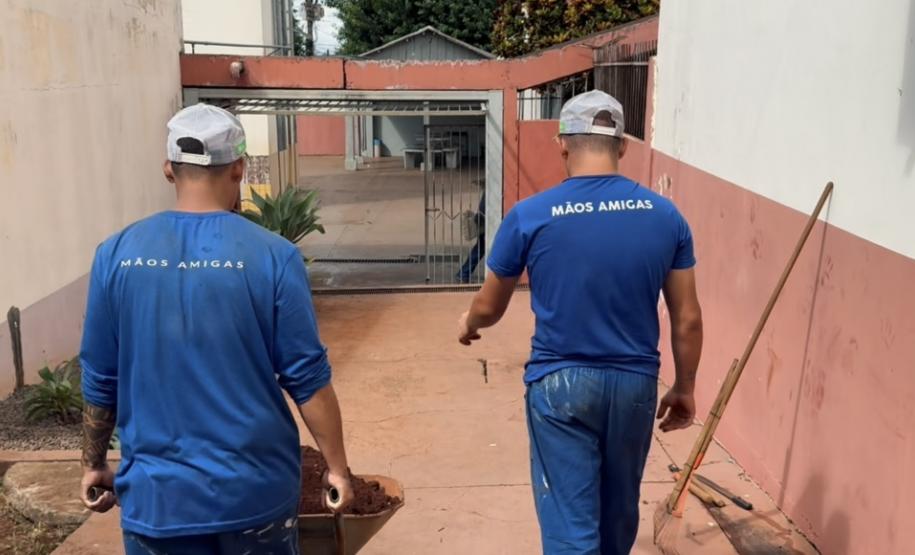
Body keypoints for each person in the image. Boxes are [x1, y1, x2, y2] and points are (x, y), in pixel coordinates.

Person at [79, 104, 353, 555]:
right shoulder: (273, 256)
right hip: (255, 496)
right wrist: (338, 468)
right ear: (240, 168)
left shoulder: (115, 255)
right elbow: (307, 380)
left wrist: (92, 465)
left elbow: (100, 380)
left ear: (169, 169)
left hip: (157, 503)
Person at [457, 90, 703, 554]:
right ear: (623, 147)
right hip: (634, 385)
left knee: (572, 526)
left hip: (560, 385)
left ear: (562, 144)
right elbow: (687, 318)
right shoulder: (666, 216)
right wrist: (685, 386)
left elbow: (491, 306)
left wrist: (469, 322)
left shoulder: (529, 215)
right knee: (617, 519)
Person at [457, 192, 486, 283]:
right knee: (481, 248)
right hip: (486, 219)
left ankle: (463, 273)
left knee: (480, 248)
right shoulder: (492, 187)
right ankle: (463, 273)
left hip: (484, 218)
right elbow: (483, 207)